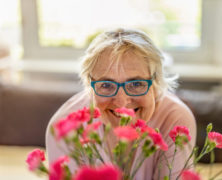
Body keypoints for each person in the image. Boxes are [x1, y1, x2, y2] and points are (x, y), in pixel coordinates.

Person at [46, 28, 196, 180]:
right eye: (106, 85)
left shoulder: (176, 119)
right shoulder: (65, 127)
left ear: (156, 84)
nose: (122, 102)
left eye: (136, 84)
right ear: (90, 87)